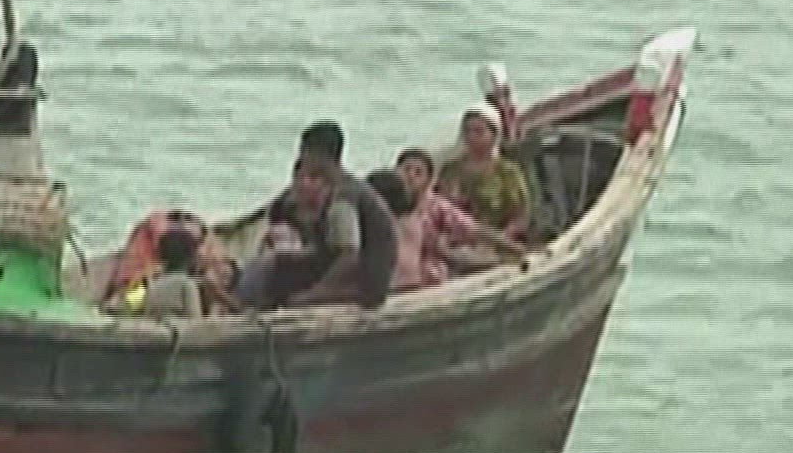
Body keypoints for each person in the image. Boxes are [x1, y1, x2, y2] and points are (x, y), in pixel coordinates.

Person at [234, 120, 398, 311]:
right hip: (361, 276)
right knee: (276, 262)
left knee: (278, 272)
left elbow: (350, 255)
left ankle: (249, 310)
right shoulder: (341, 188)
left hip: (365, 286)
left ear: (314, 154)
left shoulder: (343, 197)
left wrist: (317, 292)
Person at [396, 146, 525, 284]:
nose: (411, 176)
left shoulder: (436, 207)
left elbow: (475, 229)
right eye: (406, 170)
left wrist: (512, 247)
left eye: (418, 172)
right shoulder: (385, 203)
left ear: (428, 179)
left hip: (428, 275)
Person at [437, 103, 531, 241]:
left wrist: (499, 238)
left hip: (500, 240)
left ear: (494, 135)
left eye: (478, 132)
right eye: (467, 131)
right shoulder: (451, 170)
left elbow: (520, 217)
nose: (471, 137)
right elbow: (439, 211)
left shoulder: (508, 172)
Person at [103, 226, 207, 318]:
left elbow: (120, 310)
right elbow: (195, 322)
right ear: (192, 257)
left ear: (160, 255)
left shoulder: (145, 283)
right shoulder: (186, 284)